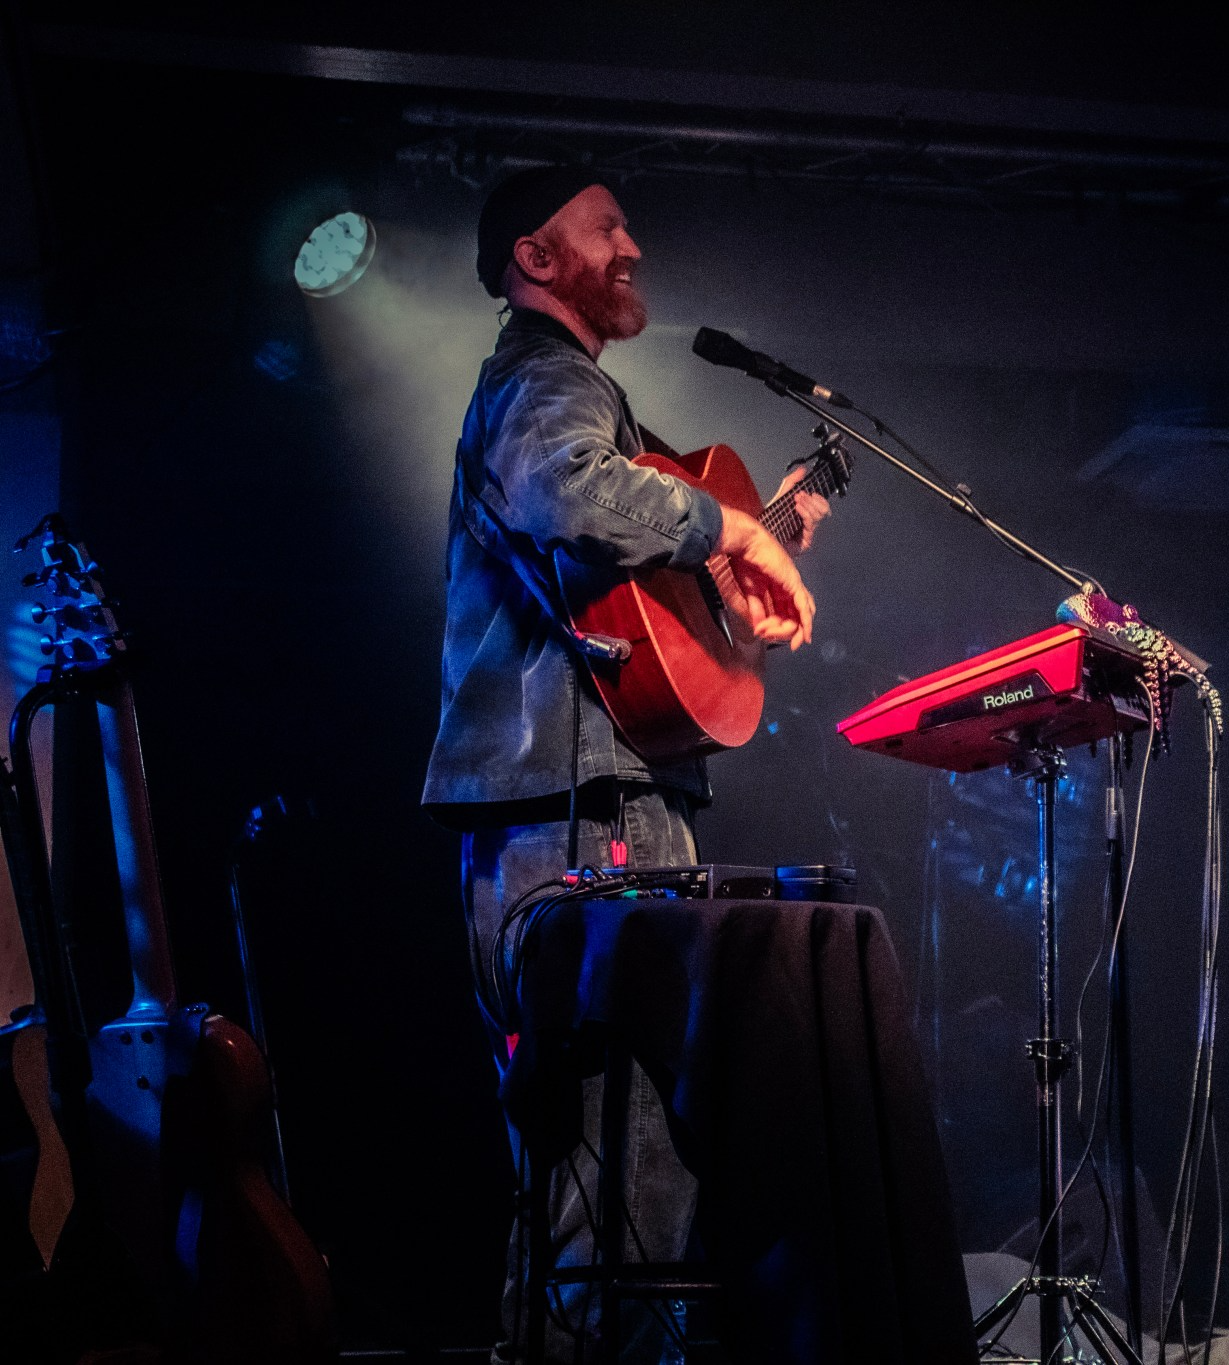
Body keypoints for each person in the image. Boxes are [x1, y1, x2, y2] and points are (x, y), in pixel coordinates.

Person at [423, 166, 825, 1363]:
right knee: (632, 1159)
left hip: (560, 800)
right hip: (582, 802)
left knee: (583, 1168)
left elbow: (612, 586)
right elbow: (567, 491)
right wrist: (735, 527)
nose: (633, 245)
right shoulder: (548, 380)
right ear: (537, 259)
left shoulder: (559, 390)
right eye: (606, 229)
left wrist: (734, 564)